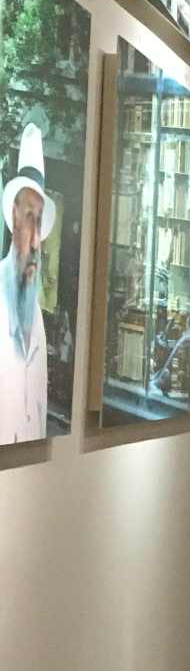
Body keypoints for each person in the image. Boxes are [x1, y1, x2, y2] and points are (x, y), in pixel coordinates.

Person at [0, 125, 52, 442]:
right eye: (29, 216)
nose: (34, 240)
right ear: (14, 216)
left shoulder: (38, 321)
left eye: (40, 220)